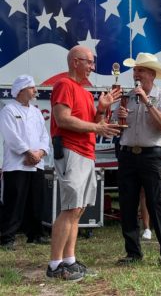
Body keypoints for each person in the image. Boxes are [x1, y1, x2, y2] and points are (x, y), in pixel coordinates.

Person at [47, 45, 121, 281]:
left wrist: (101, 109)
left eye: (92, 62)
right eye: (89, 62)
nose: (92, 67)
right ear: (74, 62)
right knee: (70, 209)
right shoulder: (64, 85)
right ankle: (55, 265)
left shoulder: (85, 93)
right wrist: (97, 126)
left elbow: (93, 121)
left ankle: (69, 260)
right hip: (71, 151)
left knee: (77, 210)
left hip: (86, 153)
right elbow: (63, 119)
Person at [115, 52, 161, 268]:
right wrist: (117, 115)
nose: (135, 73)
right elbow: (115, 126)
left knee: (157, 203)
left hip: (152, 156)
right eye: (135, 70)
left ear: (151, 74)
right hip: (128, 154)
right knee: (127, 203)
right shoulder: (127, 96)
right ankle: (133, 252)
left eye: (140, 70)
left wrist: (147, 102)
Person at [0, 75, 50, 250]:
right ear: (21, 90)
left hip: (36, 164)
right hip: (16, 164)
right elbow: (11, 136)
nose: (35, 90)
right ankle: (7, 237)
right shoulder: (9, 110)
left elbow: (44, 135)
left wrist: (40, 153)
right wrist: (27, 153)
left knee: (37, 201)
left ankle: (35, 235)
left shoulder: (36, 112)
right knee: (14, 202)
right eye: (32, 88)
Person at [140, 126, 161, 241]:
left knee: (160, 194)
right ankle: (146, 228)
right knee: (144, 193)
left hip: (160, 158)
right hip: (143, 156)